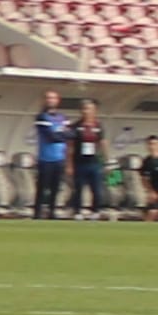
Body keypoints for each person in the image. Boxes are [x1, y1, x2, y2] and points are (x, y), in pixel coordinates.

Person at [67, 98, 109, 220]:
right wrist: (69, 164)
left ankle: (95, 211)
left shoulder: (98, 126)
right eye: (84, 109)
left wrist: (107, 161)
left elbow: (103, 143)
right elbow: (70, 147)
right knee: (78, 188)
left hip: (94, 162)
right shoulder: (76, 126)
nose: (86, 111)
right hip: (79, 162)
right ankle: (77, 211)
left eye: (89, 109)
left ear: (94, 111)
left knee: (96, 189)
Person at [33, 89, 69, 219]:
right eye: (48, 98)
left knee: (56, 187)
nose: (50, 100)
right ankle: (37, 213)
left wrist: (61, 135)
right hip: (45, 159)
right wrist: (62, 134)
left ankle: (52, 212)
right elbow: (50, 137)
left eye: (53, 98)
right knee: (42, 188)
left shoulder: (62, 118)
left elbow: (71, 134)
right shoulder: (41, 117)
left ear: (58, 100)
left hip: (59, 158)